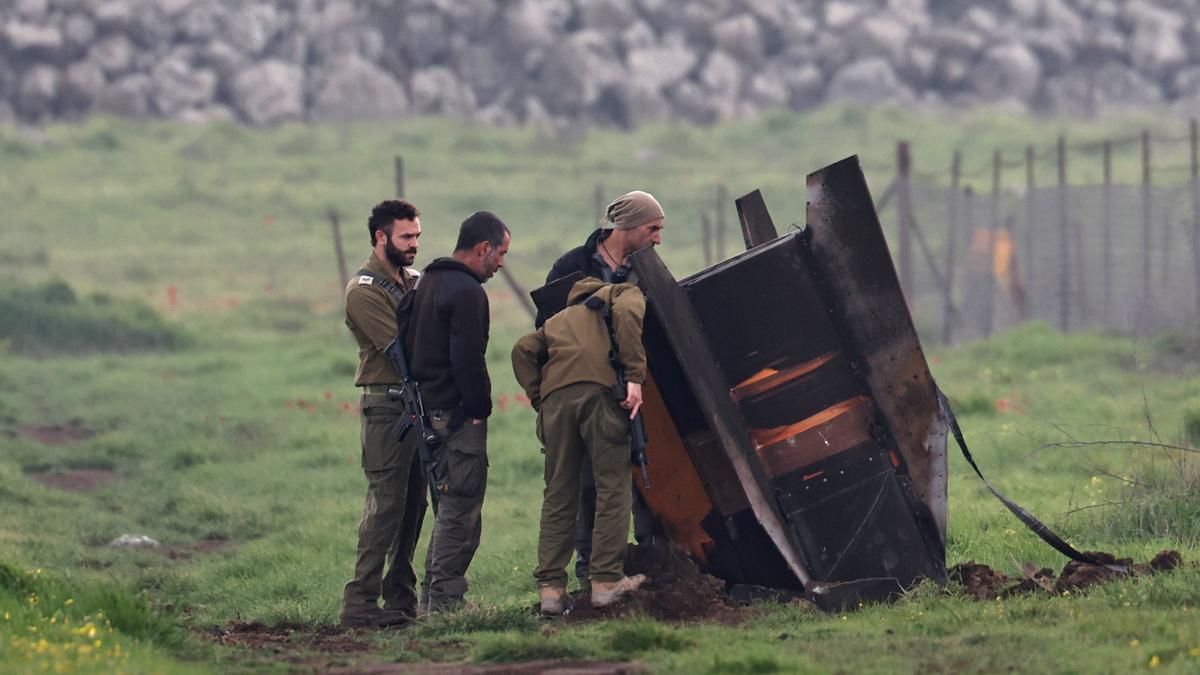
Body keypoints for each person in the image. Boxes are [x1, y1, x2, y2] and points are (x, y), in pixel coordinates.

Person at [536, 190, 664, 593]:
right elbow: (546, 331)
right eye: (652, 228)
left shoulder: (648, 271)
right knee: (586, 486)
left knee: (637, 480)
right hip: (582, 389)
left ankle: (649, 559)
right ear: (627, 227)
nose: (658, 238)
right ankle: (591, 571)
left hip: (627, 393)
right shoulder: (570, 266)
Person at [513, 277, 650, 613]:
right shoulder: (620, 293)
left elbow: (522, 351)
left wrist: (540, 397)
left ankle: (551, 591)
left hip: (556, 404)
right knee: (613, 487)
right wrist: (634, 374)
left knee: (559, 493)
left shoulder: (557, 320)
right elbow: (632, 311)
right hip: (599, 395)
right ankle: (605, 582)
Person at [407, 211, 510, 612]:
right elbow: (468, 359)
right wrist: (479, 409)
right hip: (456, 417)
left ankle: (433, 599)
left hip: (426, 413)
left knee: (446, 505)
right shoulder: (467, 292)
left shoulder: (427, 282)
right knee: (460, 512)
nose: (501, 263)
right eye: (500, 253)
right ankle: (445, 605)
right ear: (483, 248)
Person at [341, 199, 427, 628]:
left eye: (416, 236)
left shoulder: (412, 281)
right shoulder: (365, 290)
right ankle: (359, 602)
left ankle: (400, 597)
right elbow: (402, 349)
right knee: (385, 504)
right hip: (386, 405)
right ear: (381, 237)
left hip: (416, 404)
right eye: (406, 236)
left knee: (414, 504)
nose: (414, 244)